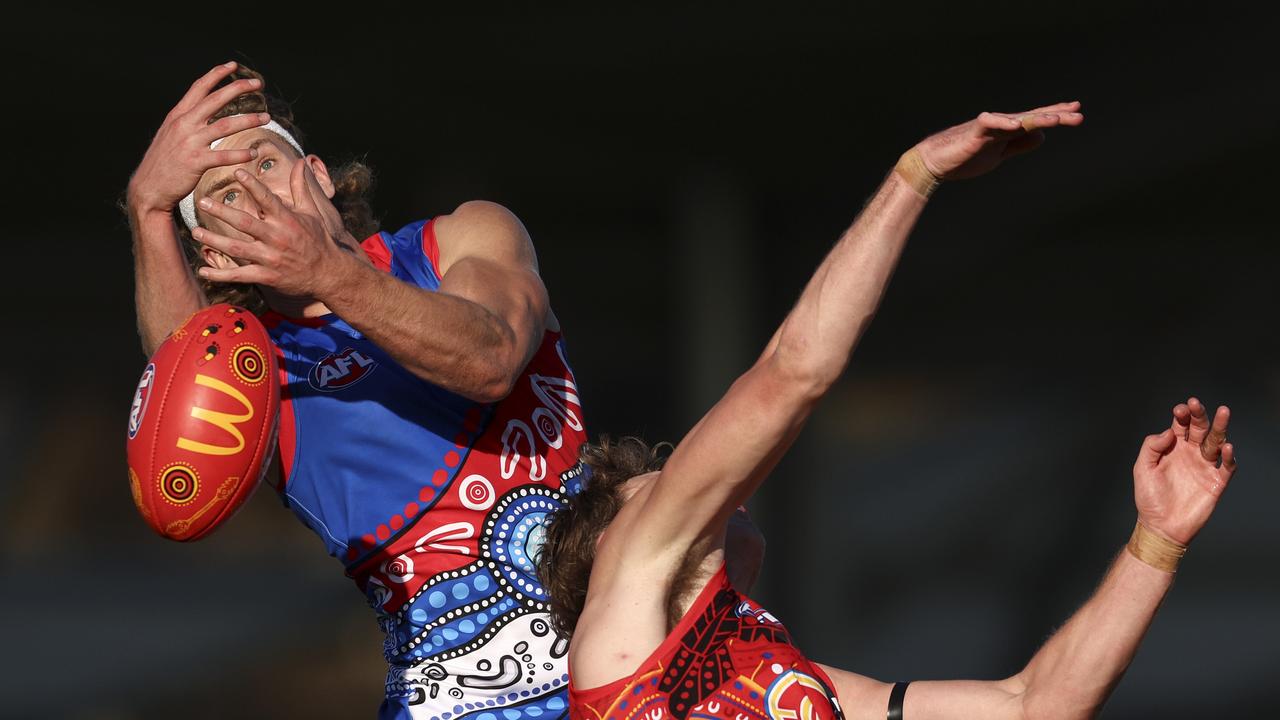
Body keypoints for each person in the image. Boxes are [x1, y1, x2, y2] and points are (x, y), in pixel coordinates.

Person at [537, 104, 1240, 720]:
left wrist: (1159, 538)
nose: (691, 480)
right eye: (656, 486)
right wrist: (915, 176)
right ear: (608, 545)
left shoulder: (803, 689)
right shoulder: (627, 615)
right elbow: (791, 374)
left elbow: (1035, 705)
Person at [125, 61, 588, 719]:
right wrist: (148, 206)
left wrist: (329, 274)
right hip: (449, 700)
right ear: (216, 255)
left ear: (316, 174)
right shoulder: (256, 370)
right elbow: (179, 396)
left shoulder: (458, 238)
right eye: (223, 196)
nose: (253, 196)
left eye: (263, 164)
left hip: (622, 647)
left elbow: (492, 360)